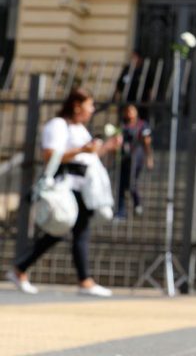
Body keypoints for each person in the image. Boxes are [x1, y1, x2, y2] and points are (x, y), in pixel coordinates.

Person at [6, 88, 122, 297]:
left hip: (82, 187)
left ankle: (22, 269)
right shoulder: (58, 125)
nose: (92, 110)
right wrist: (82, 150)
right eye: (90, 105)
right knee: (65, 231)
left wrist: (106, 148)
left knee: (67, 232)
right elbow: (50, 155)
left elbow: (87, 157)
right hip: (66, 186)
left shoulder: (80, 128)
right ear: (77, 106)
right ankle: (82, 280)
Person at [117, 104, 153, 219]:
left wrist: (149, 157)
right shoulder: (122, 125)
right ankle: (121, 211)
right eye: (127, 111)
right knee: (121, 184)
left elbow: (147, 142)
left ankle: (137, 204)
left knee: (131, 182)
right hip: (124, 157)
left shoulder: (142, 125)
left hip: (136, 156)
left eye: (131, 110)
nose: (129, 113)